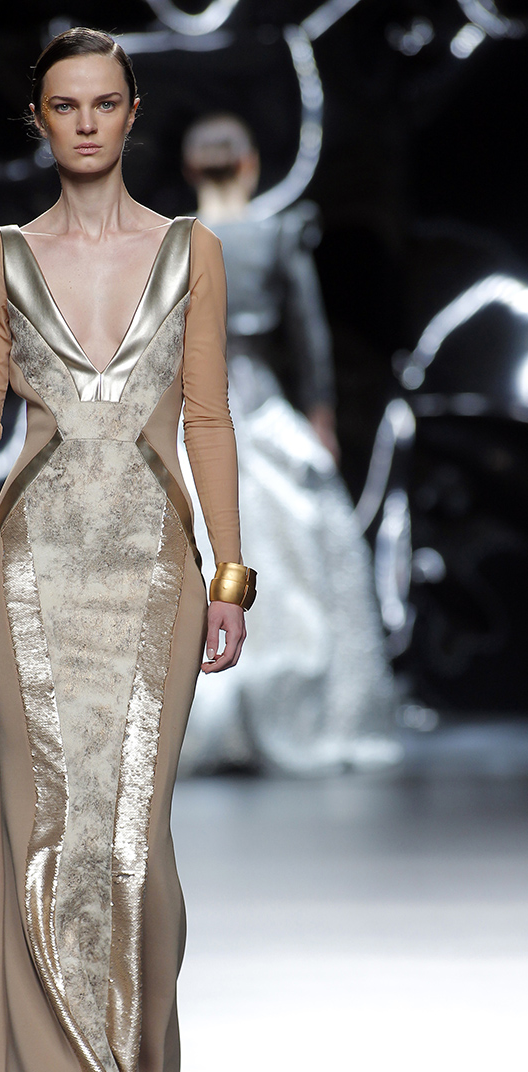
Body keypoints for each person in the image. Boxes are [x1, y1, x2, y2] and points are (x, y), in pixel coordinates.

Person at [0, 30, 253, 1072]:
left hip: (157, 577)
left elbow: (207, 419)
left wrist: (230, 577)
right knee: (48, 844)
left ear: (132, 112)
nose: (87, 124)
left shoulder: (190, 252)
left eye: (105, 103)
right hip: (27, 582)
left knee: (132, 851)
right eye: (66, 105)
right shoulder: (0, 260)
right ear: (40, 120)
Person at [180, 114, 400, 775]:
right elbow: (309, 336)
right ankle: (297, 712)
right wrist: (321, 418)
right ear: (249, 165)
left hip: (194, 409)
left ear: (191, 171)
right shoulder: (278, 235)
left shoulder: (172, 241)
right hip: (262, 408)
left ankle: (203, 716)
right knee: (299, 552)